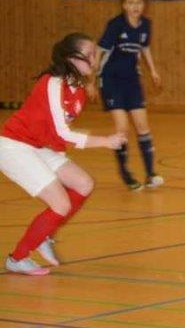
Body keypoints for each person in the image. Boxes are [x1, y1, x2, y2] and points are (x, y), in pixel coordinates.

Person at [0, 33, 126, 275]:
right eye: (89, 55)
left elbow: (56, 133)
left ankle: (45, 233)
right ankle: (17, 258)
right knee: (60, 203)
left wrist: (60, 159)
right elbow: (63, 132)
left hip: (39, 146)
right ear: (71, 58)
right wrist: (104, 141)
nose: (94, 59)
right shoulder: (53, 83)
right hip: (13, 146)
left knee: (83, 183)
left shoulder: (77, 88)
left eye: (95, 54)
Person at [94, 0, 164, 191]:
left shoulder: (146, 25)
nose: (135, 6)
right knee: (122, 129)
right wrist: (90, 79)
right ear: (124, 5)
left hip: (132, 81)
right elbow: (100, 51)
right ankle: (125, 173)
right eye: (131, 2)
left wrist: (153, 71)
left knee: (143, 127)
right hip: (111, 81)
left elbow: (145, 48)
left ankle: (150, 174)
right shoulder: (116, 25)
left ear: (144, 5)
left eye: (139, 2)